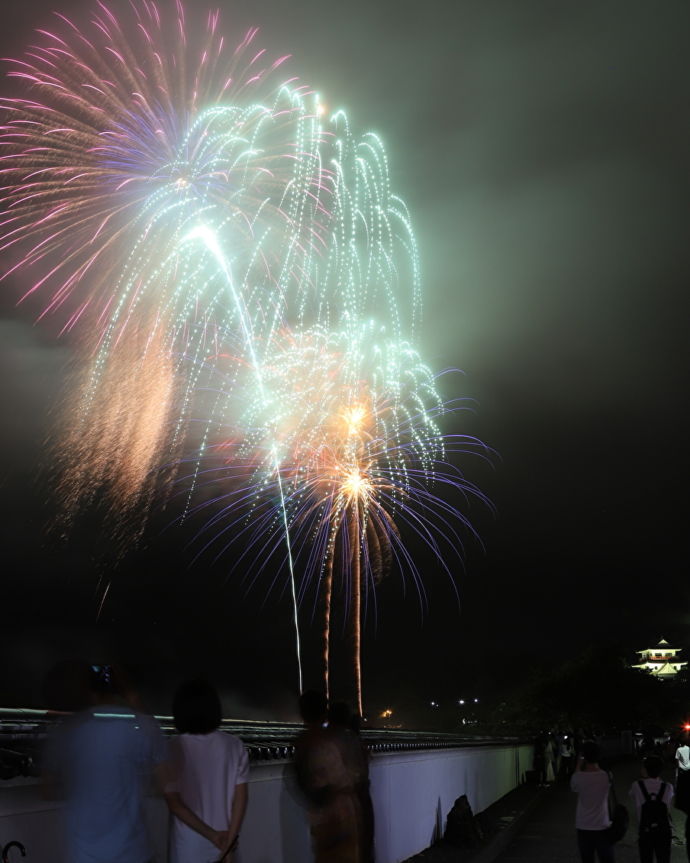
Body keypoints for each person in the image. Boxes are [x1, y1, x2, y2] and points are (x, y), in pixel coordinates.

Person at [43, 663, 168, 863]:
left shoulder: (67, 730)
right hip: (133, 853)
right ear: (121, 689)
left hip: (83, 855)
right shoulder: (137, 726)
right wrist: (132, 695)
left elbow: (48, 791)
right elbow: (165, 783)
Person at [164, 679, 248, 863]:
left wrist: (212, 836)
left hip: (188, 847)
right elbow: (240, 799)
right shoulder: (234, 745)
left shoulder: (173, 748)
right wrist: (229, 845)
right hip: (227, 842)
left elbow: (174, 803)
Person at [294, 690, 363, 863]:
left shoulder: (301, 741)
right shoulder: (329, 741)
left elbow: (301, 779)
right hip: (340, 813)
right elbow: (347, 778)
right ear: (324, 712)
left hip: (319, 815)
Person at [570, 740, 615, 863]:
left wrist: (579, 764)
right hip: (603, 825)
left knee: (587, 859)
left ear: (584, 757)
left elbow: (573, 787)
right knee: (607, 859)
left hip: (583, 825)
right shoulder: (606, 776)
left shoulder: (578, 777)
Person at [629, 755, 673, 863]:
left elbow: (632, 795)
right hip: (663, 830)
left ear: (645, 770)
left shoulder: (636, 785)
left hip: (645, 830)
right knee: (664, 859)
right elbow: (668, 808)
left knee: (646, 859)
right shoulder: (668, 787)